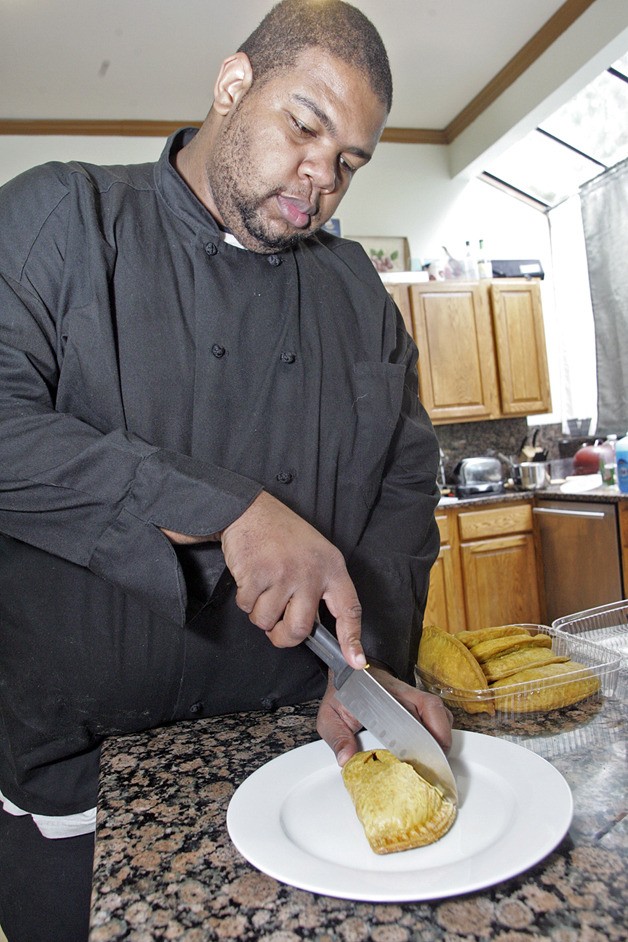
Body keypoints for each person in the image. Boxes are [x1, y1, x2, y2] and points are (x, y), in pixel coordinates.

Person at [0, 1, 451, 938]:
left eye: (351, 161)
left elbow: (406, 488)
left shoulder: (356, 289)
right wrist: (228, 509)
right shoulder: (61, 216)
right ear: (232, 84)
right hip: (82, 784)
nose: (321, 177)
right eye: (305, 127)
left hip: (299, 757)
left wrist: (366, 674)